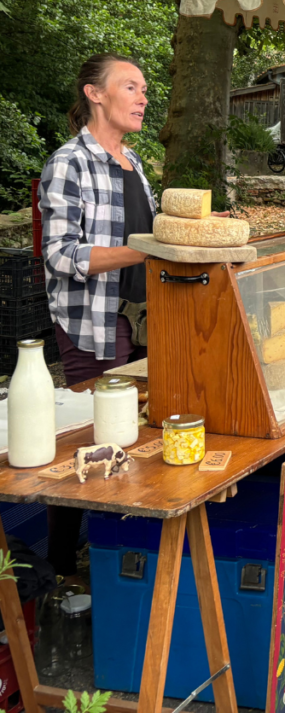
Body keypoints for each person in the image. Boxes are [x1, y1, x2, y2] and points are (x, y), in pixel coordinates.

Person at [38, 53, 157, 578]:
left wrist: (185, 233)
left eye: (144, 89)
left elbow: (149, 237)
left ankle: (126, 554)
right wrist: (148, 248)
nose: (143, 98)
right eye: (130, 87)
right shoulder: (69, 162)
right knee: (89, 439)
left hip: (146, 318)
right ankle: (62, 567)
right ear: (95, 93)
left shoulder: (133, 163)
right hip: (93, 321)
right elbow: (60, 254)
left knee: (140, 433)